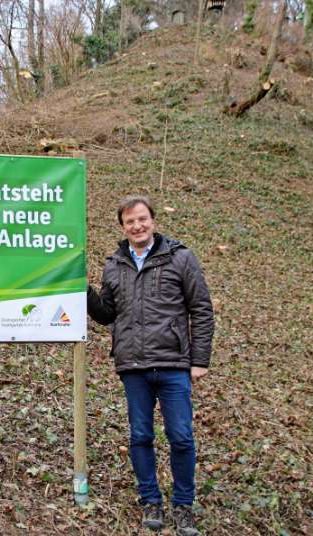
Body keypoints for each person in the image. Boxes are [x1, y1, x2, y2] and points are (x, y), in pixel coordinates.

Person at [87, 195, 214, 535]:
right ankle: (150, 501)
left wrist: (199, 359)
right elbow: (106, 314)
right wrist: (83, 291)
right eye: (130, 221)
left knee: (182, 437)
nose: (137, 226)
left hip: (174, 364)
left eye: (142, 219)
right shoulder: (114, 263)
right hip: (133, 366)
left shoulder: (180, 258)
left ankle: (183, 507)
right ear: (123, 226)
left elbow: (201, 308)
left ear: (153, 221)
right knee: (141, 436)